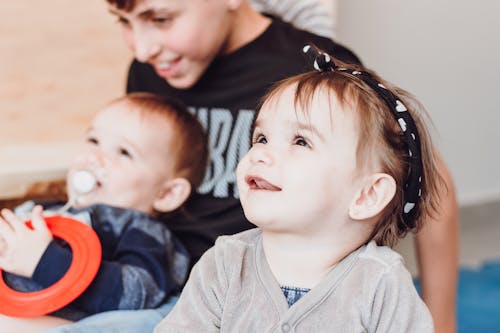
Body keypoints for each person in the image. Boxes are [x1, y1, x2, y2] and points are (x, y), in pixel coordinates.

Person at [61, 0, 457, 331]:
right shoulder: (147, 72)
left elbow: (425, 178)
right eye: (125, 23)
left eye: (161, 19)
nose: (143, 48)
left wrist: (443, 319)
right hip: (173, 283)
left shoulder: (313, 73)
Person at [155, 48, 438, 332]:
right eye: (261, 138)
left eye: (300, 141)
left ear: (367, 195)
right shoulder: (226, 264)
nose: (259, 154)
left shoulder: (380, 285)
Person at [0, 92, 208, 329]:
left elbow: (135, 295)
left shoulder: (141, 232)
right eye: (93, 141)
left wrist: (46, 262)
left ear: (166, 194)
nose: (95, 157)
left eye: (123, 152)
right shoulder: (42, 211)